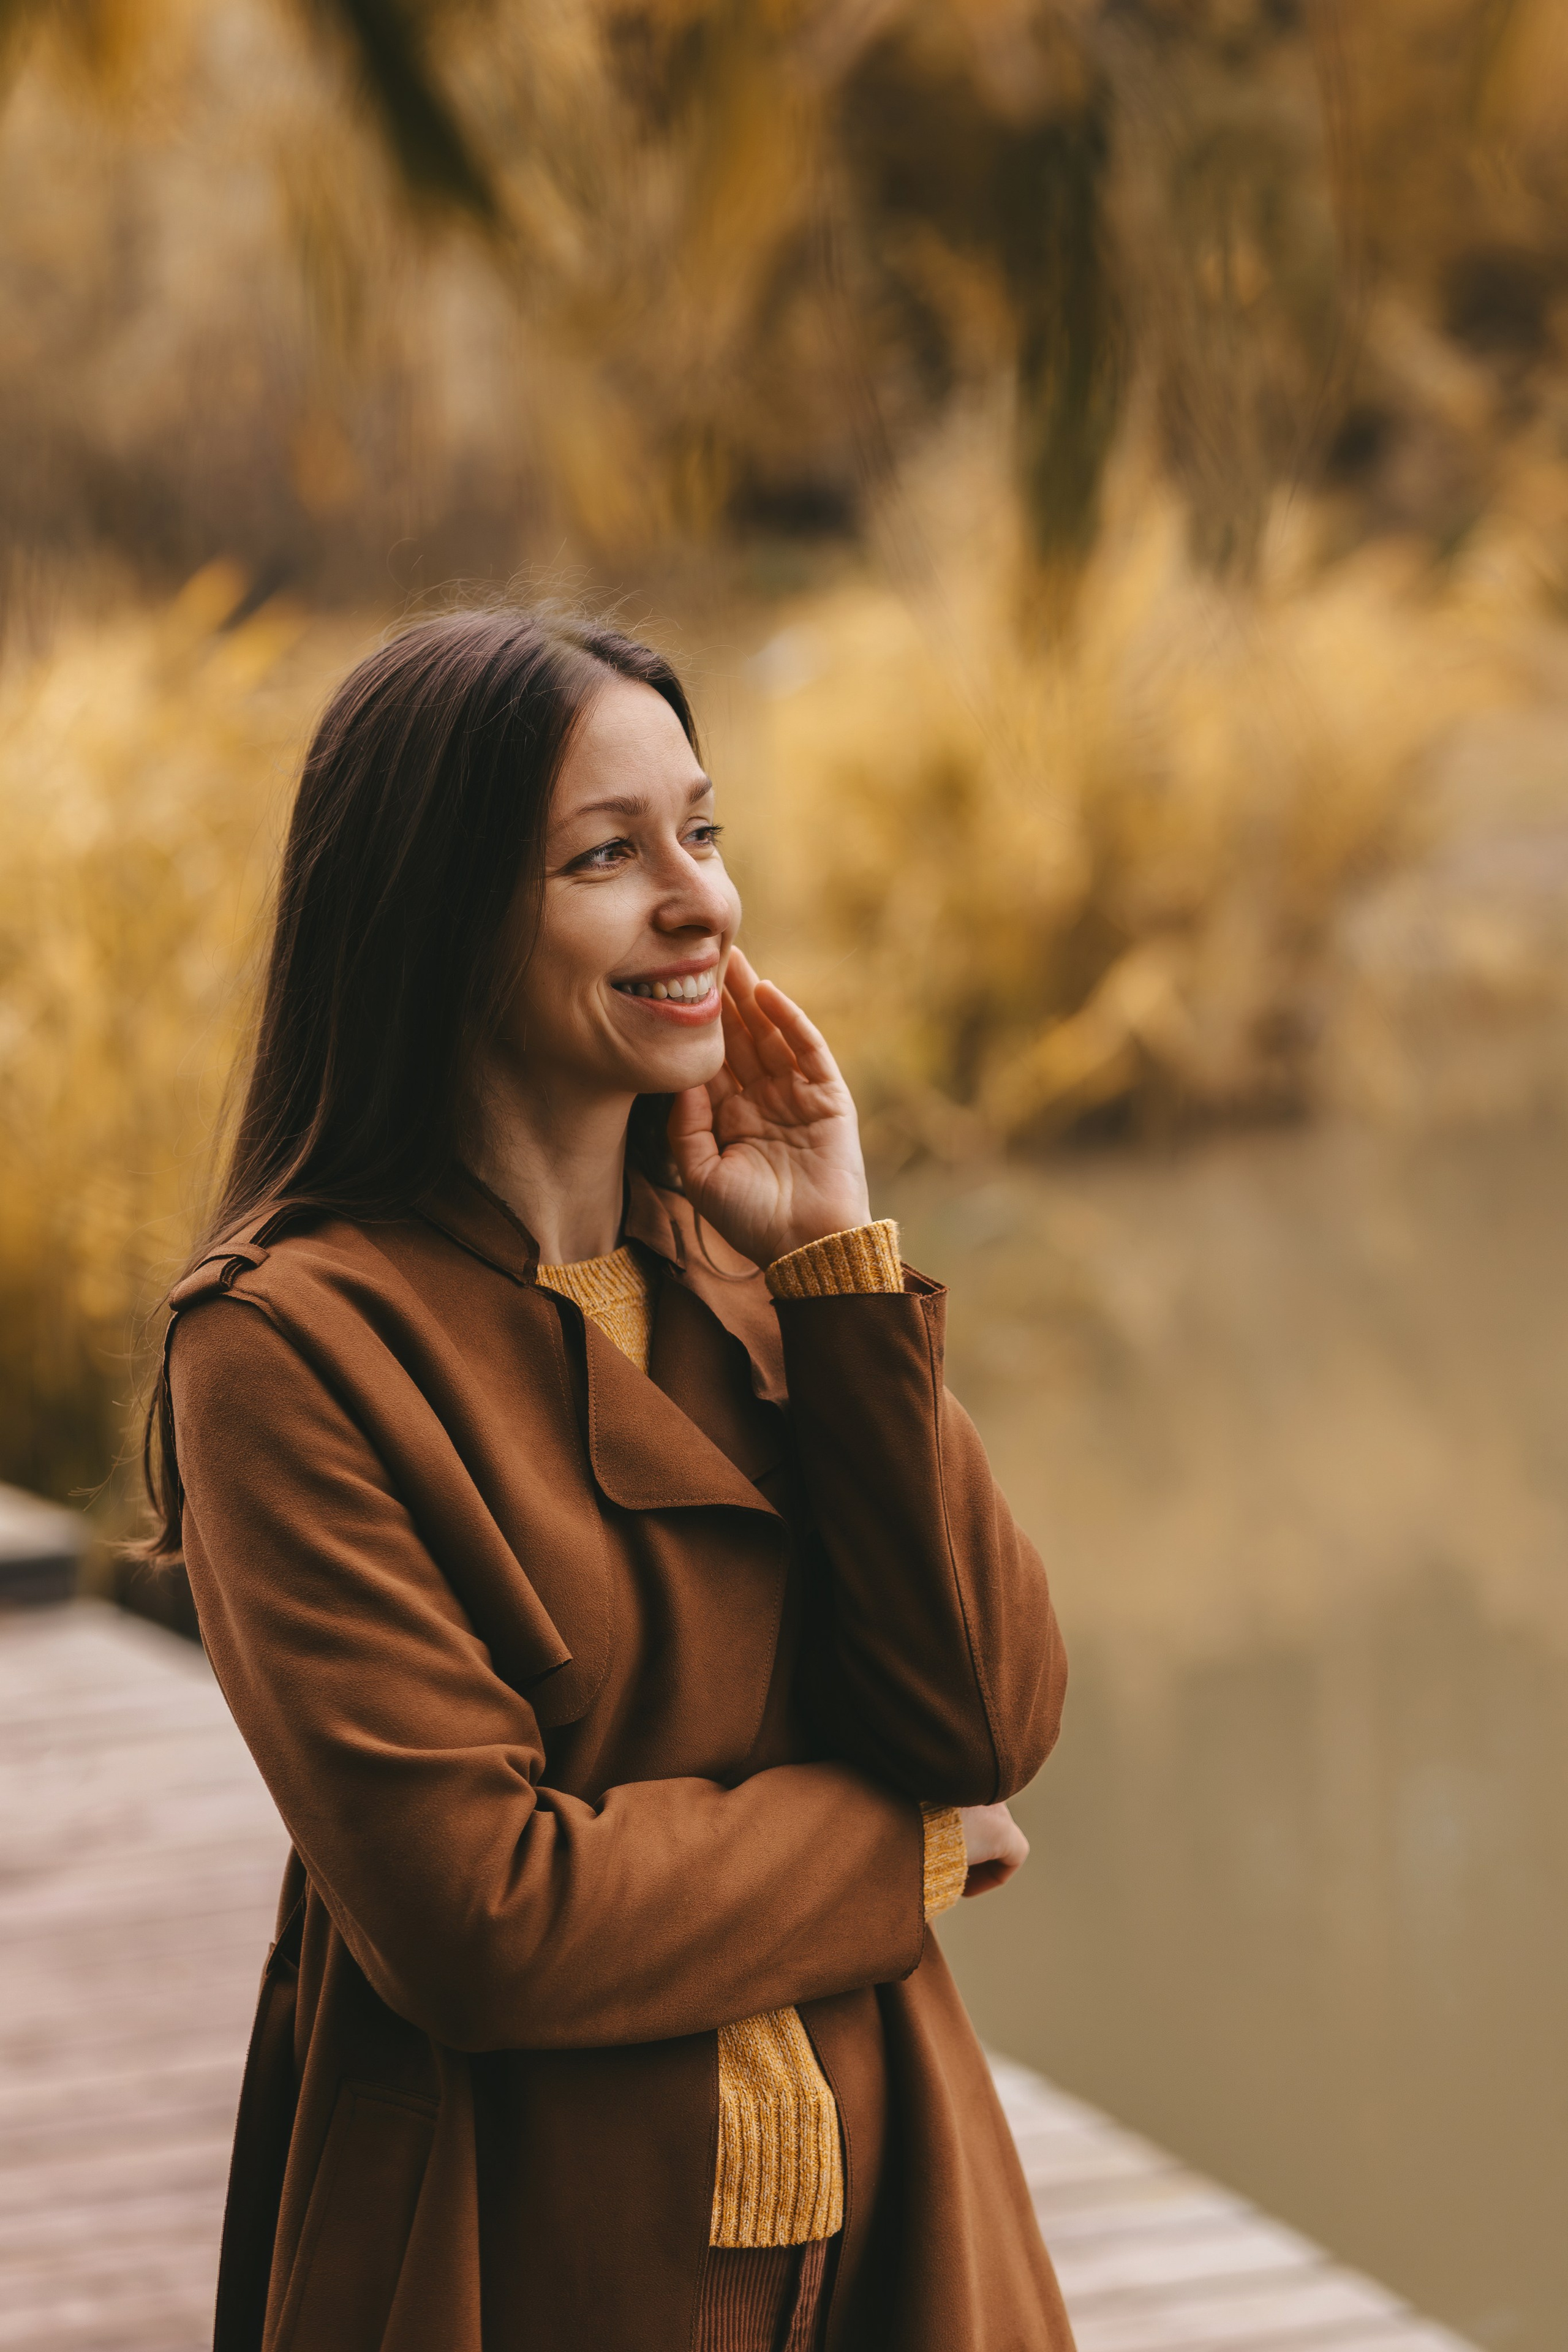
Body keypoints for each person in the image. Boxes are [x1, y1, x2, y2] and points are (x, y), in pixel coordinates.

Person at [146, 607, 1074, 2352]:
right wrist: (907, 1846)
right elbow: (483, 1914)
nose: (701, 901)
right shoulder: (290, 1346)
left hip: (906, 2242)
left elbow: (992, 1718)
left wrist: (838, 1276)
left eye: (703, 834)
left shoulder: (749, 1264)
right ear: (440, 912)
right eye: (606, 854)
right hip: (521, 2265)